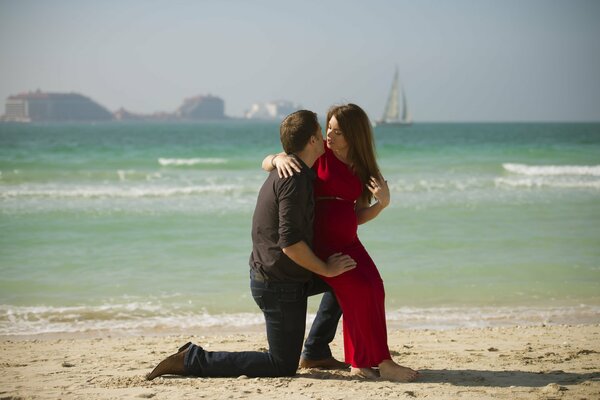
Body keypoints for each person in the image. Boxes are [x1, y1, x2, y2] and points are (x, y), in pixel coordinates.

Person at [146, 110, 356, 380]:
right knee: (281, 365)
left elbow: (273, 161)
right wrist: (326, 269)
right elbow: (290, 243)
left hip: (287, 274)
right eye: (321, 133)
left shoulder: (294, 166)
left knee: (347, 277)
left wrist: (274, 157)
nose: (326, 138)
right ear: (314, 140)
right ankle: (192, 359)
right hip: (278, 284)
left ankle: (315, 349)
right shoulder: (294, 179)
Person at [262, 103, 418, 382]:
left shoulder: (363, 166)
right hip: (322, 243)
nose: (330, 136)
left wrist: (382, 205)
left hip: (349, 240)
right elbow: (268, 161)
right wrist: (276, 159)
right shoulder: (319, 151)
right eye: (329, 128)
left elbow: (356, 215)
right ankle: (380, 362)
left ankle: (361, 360)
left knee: (374, 287)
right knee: (357, 289)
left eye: (338, 132)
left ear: (354, 136)